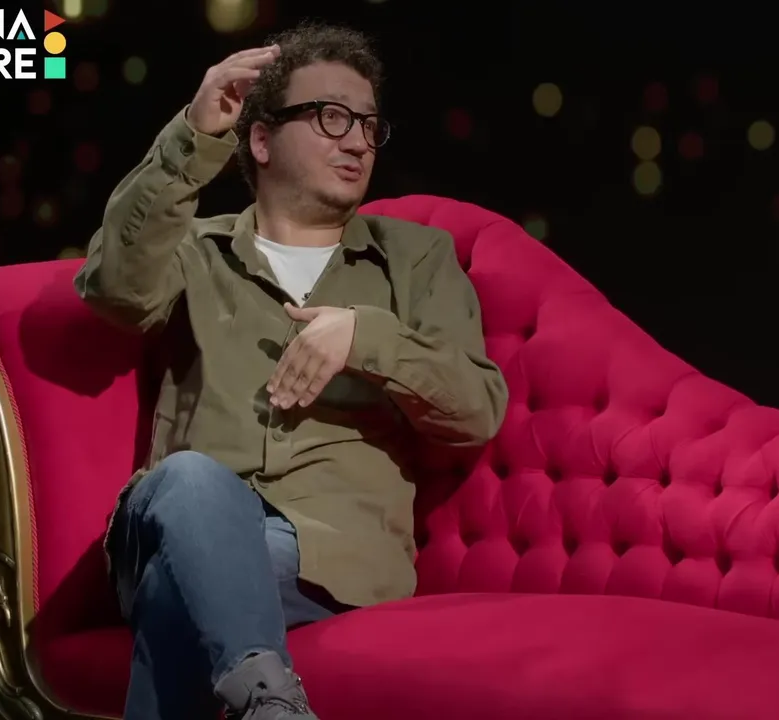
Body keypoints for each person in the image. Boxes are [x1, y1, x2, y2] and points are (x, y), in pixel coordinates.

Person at [74, 22, 509, 720]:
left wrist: (366, 337)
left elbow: (475, 409)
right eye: (332, 117)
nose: (357, 141)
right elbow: (115, 290)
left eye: (368, 124)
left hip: (328, 561)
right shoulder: (198, 251)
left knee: (171, 590)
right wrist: (192, 136)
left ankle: (265, 700)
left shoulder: (417, 259)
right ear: (261, 138)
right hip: (177, 519)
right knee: (189, 481)